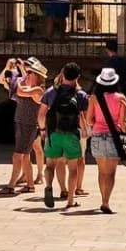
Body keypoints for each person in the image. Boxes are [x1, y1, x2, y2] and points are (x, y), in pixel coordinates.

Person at [39, 63, 87, 209]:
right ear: (78, 77)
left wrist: (42, 130)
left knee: (50, 165)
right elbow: (82, 117)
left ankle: (48, 186)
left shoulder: (50, 92)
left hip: (53, 133)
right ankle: (71, 200)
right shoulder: (81, 95)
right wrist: (85, 131)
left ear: (63, 74)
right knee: (73, 168)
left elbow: (41, 115)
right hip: (71, 135)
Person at [0, 57, 46, 196]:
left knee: (17, 155)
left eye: (30, 72)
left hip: (28, 126)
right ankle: (30, 185)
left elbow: (19, 91)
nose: (27, 74)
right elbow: (8, 85)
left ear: (37, 76)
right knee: (25, 156)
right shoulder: (28, 86)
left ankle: (11, 185)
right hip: (20, 123)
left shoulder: (38, 90)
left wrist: (16, 75)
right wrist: (11, 69)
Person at [88, 66, 126, 214]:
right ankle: (106, 201)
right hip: (114, 137)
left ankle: (102, 199)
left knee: (101, 171)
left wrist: (98, 123)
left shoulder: (94, 98)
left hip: (98, 135)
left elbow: (89, 120)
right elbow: (122, 123)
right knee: (111, 173)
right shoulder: (121, 98)